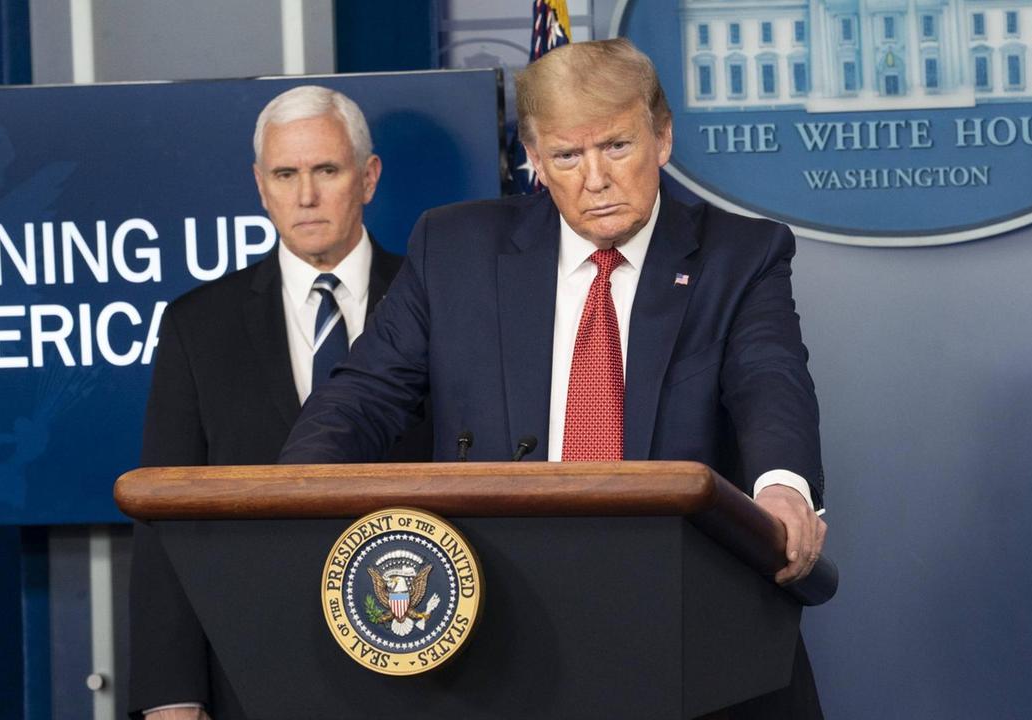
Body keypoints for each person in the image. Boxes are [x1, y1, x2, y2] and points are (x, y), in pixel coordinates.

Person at [280, 39, 827, 718]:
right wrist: (291, 498)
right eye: (568, 156)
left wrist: (784, 490)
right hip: (508, 629)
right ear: (535, 161)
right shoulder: (455, 249)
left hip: (690, 627)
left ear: (662, 138)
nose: (595, 178)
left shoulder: (738, 256)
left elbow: (768, 378)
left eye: (617, 147)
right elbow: (363, 394)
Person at [129, 85, 430, 720]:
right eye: (285, 174)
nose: (306, 196)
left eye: (327, 170)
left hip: (420, 653)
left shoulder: (435, 302)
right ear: (261, 186)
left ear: (368, 178)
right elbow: (165, 517)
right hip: (251, 666)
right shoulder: (198, 325)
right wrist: (170, 695)